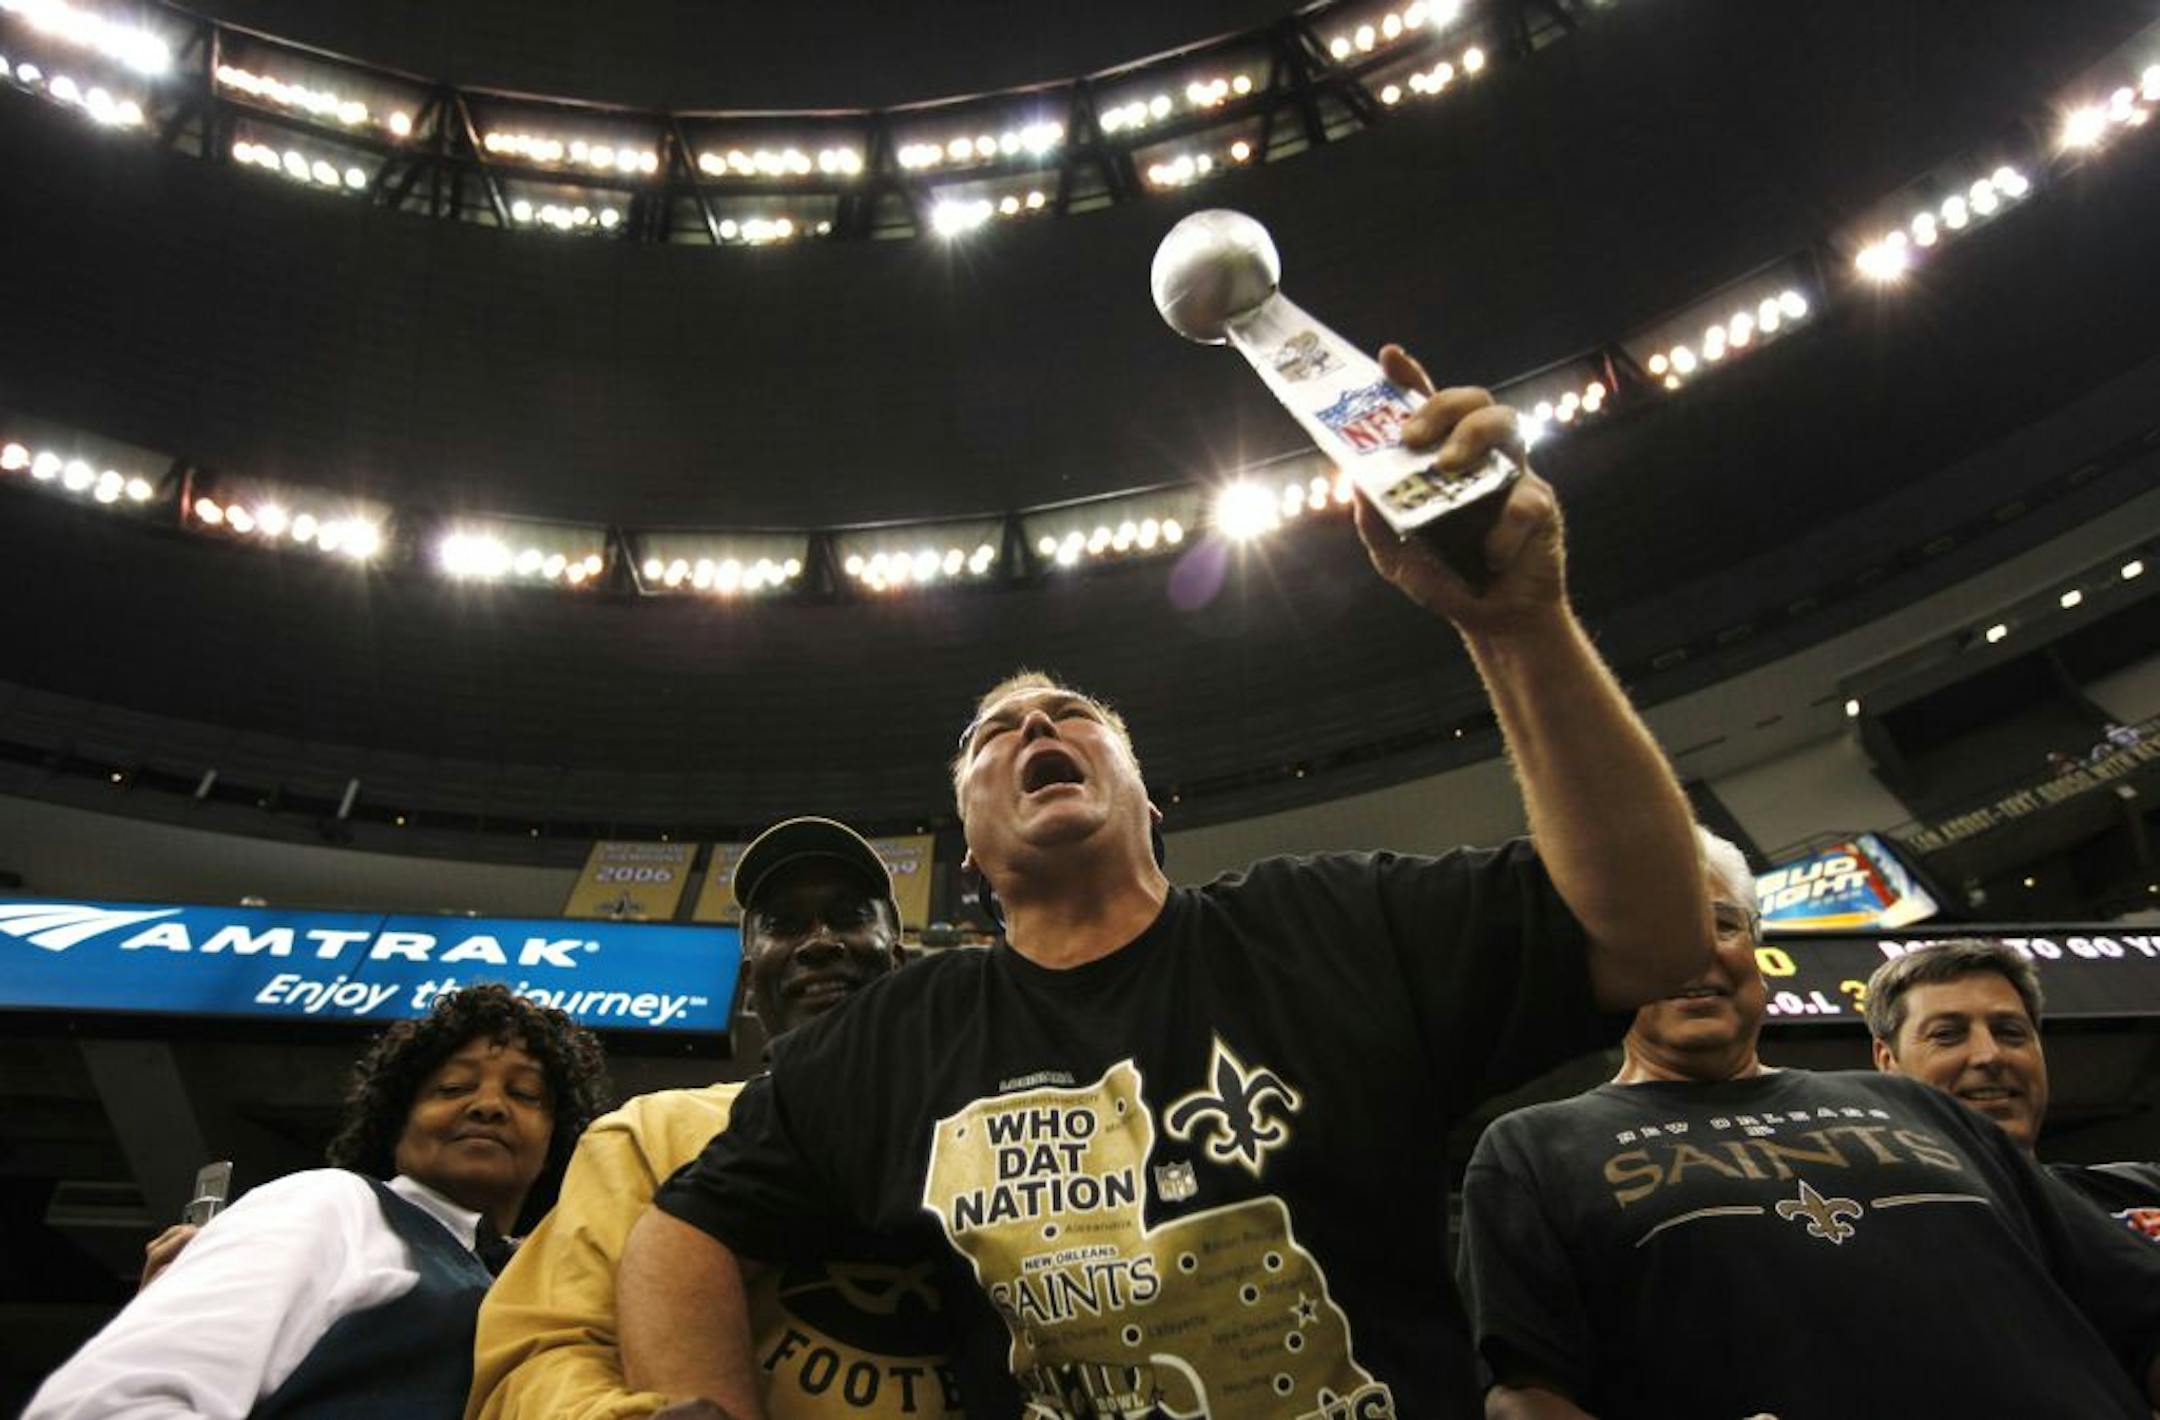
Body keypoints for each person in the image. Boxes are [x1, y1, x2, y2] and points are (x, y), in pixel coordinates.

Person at [617, 353, 1719, 1419]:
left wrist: (1519, 624)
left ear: (1152, 804)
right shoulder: (896, 1036)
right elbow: (683, 1229)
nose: (1036, 724)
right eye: (991, 735)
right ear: (970, 855)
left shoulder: (1328, 922)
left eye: (1073, 716)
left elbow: (1651, 934)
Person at [1456, 832, 2160, 1419]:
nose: (1694, 952)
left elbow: (2137, 1305)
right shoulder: (1533, 1149)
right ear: (1596, 967)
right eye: (1651, 930)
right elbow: (1525, 1393)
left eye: (1721, 924)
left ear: (1755, 952)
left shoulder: (1922, 1107)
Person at [467, 816, 966, 1420]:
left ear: (896, 961)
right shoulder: (647, 1134)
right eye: (784, 926)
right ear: (750, 985)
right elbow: (537, 1353)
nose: (819, 941)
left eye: (848, 916)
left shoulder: (985, 1123)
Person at [27, 982, 609, 1419]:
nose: (488, 1105)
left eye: (525, 1093)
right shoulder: (330, 1204)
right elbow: (119, 1400)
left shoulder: (543, 1287)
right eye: (452, 1087)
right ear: (396, 1121)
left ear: (557, 1140)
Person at [1867, 938, 2160, 1240]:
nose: (1989, 1055)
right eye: (1947, 1034)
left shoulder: (2143, 1193)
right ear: (1888, 1062)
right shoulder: (1855, 1230)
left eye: (2010, 1032)